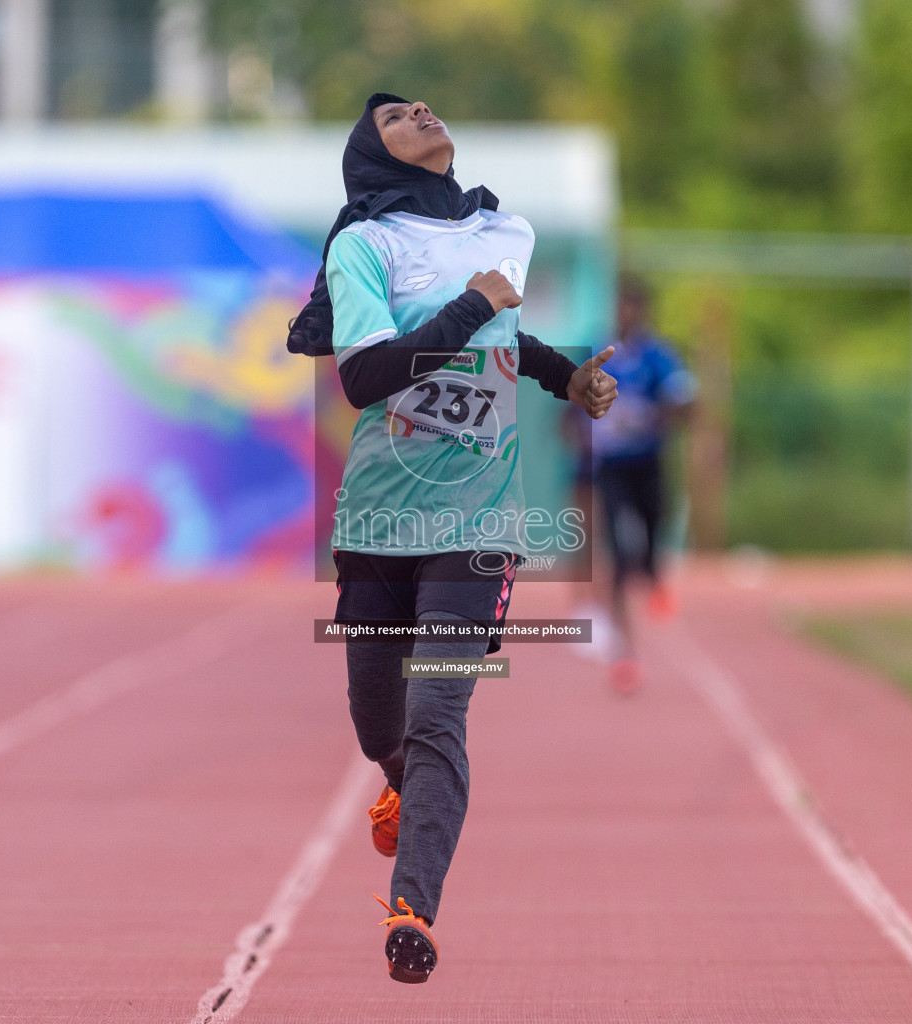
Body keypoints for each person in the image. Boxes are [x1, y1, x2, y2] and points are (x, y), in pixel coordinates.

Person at [286, 93, 617, 984]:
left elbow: (507, 333)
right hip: (381, 518)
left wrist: (565, 378)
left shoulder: (505, 230)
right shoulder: (366, 246)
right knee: (377, 722)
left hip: (482, 522)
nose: (420, 113)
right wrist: (469, 308)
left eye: (423, 106)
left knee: (440, 713)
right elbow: (365, 376)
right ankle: (401, 778)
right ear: (376, 156)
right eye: (396, 117)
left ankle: (413, 907)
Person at [591, 276, 696, 694]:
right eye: (621, 307)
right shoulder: (599, 351)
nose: (626, 315)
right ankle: (624, 652)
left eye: (633, 307)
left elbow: (684, 398)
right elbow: (571, 396)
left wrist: (660, 413)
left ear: (643, 312)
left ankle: (654, 576)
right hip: (612, 466)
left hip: (649, 463)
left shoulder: (659, 355)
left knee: (651, 547)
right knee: (617, 551)